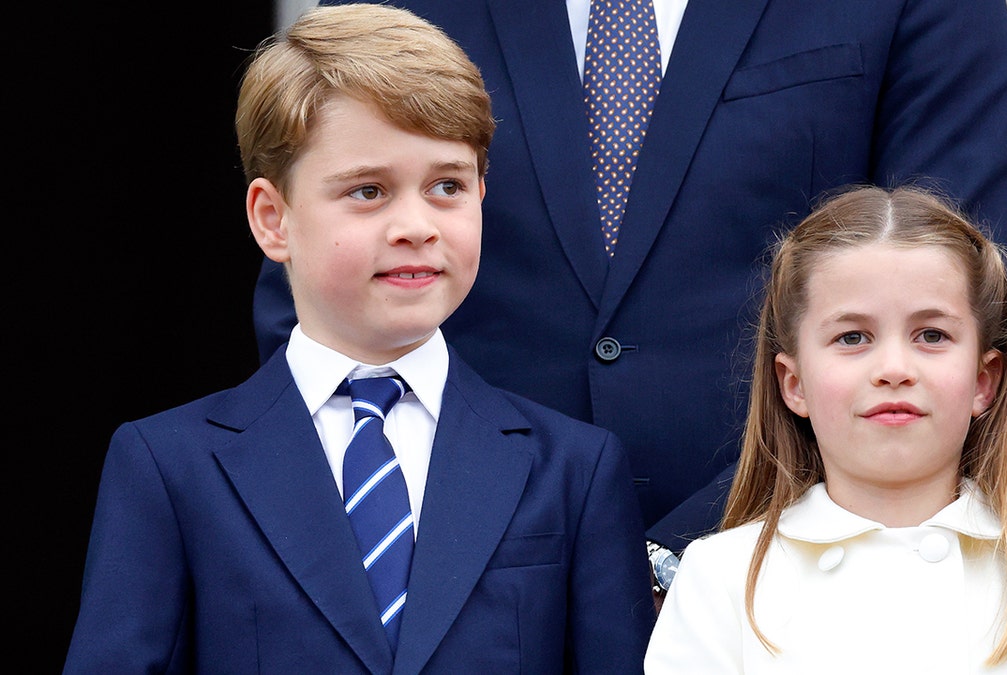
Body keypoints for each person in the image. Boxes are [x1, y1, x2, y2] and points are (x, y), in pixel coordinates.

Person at [255, 0, 1007, 596]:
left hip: (803, 571)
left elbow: (950, 299)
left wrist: (697, 553)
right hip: (455, 586)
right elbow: (316, 302)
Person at [63, 4, 654, 673]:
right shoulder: (168, 467)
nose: (416, 225)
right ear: (273, 218)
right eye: (369, 190)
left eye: (447, 186)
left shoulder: (575, 470)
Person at [643, 185, 1007, 673]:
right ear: (793, 383)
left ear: (983, 379)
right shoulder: (720, 579)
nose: (893, 368)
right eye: (852, 336)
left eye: (932, 335)